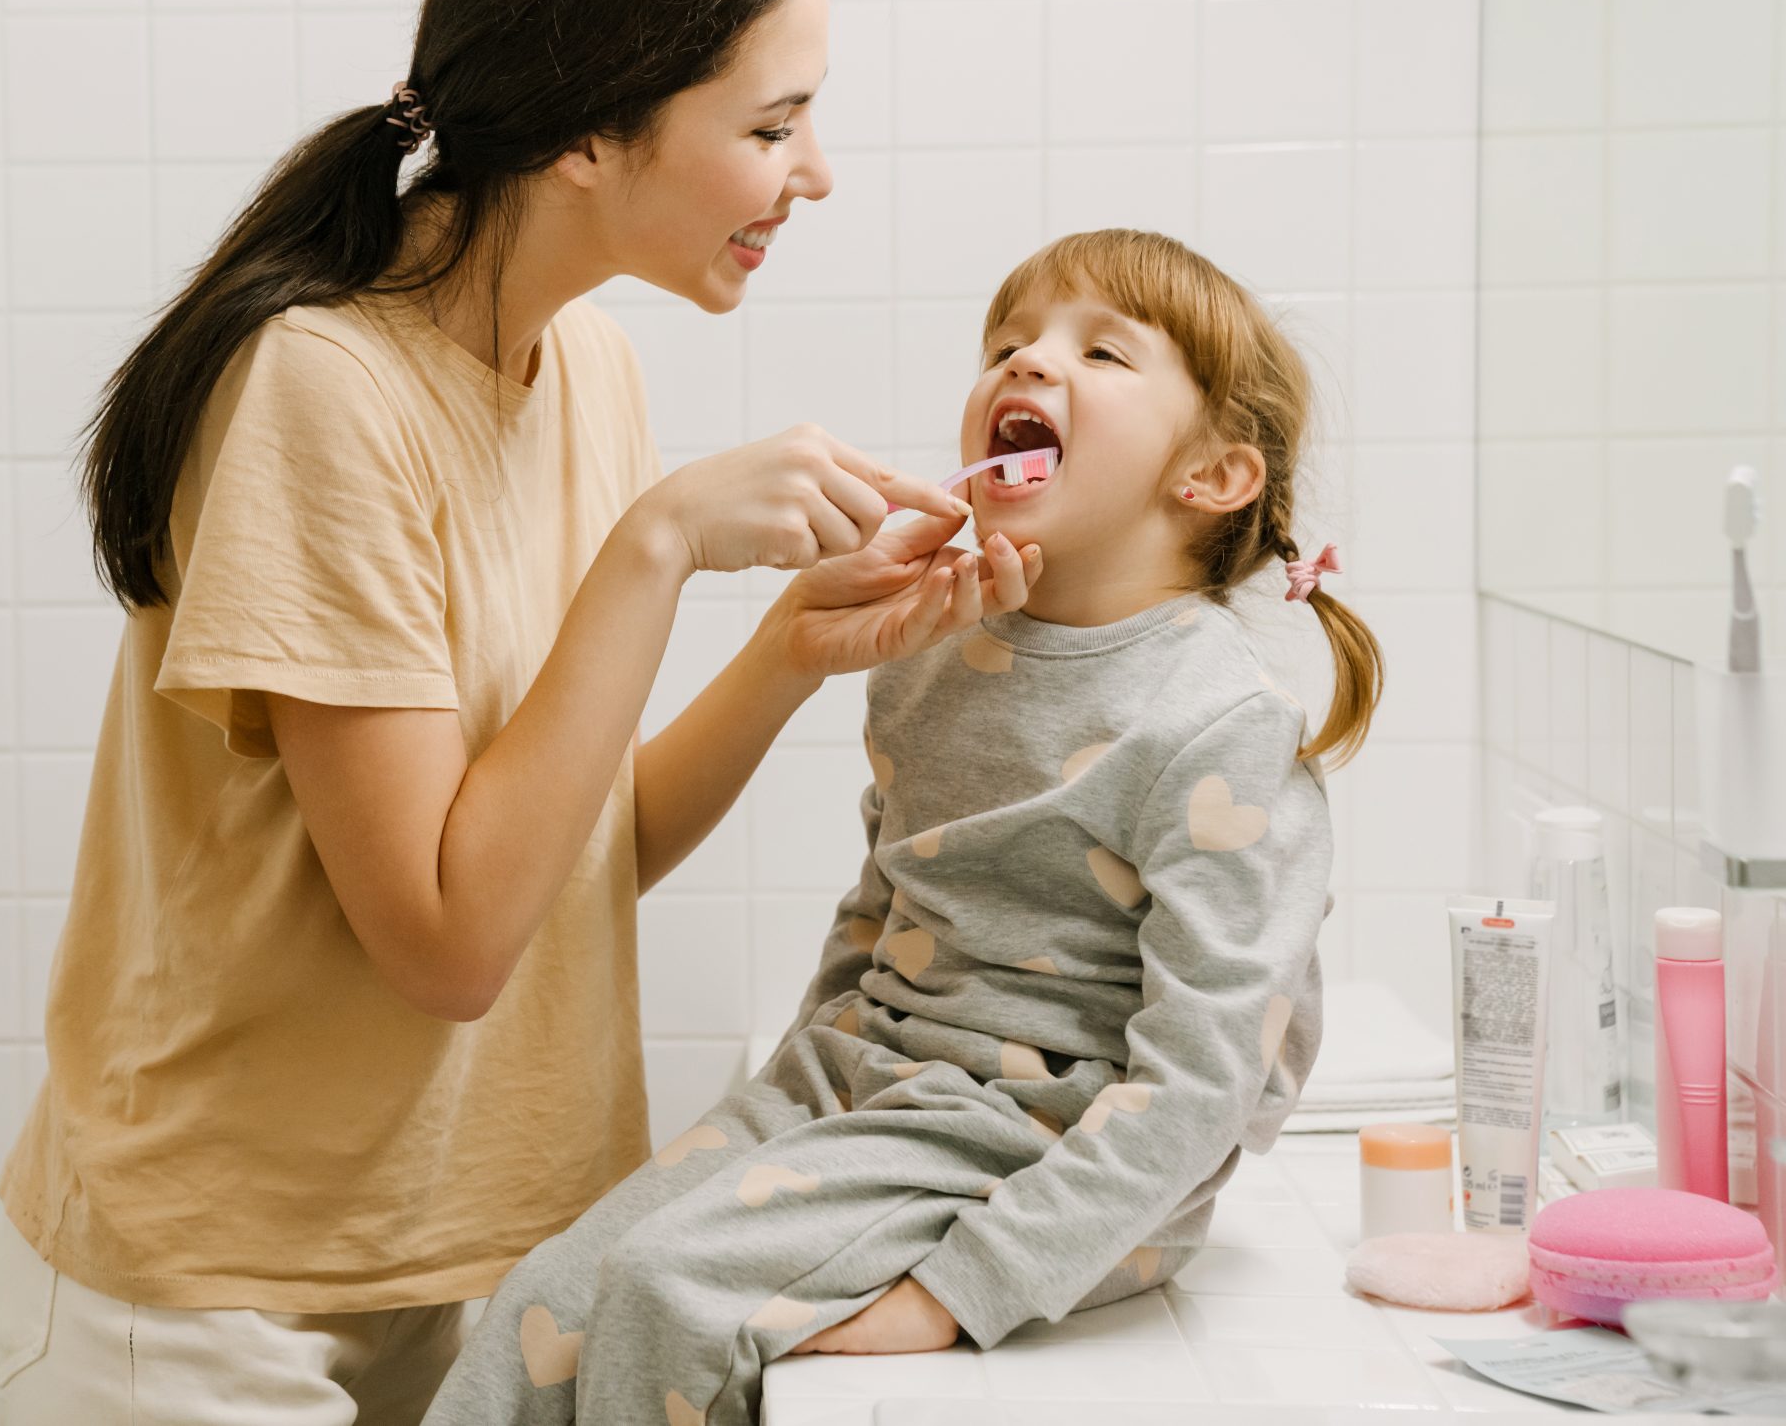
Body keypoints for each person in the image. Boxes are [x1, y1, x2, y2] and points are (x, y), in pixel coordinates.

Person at [0, 0, 1042, 1422]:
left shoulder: (584, 364)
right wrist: (664, 542)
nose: (813, 174)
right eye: (775, 125)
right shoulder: (320, 391)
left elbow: (559, 860)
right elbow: (451, 942)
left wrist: (785, 656)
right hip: (216, 1304)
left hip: (452, 1253)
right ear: (586, 139)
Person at [422, 229, 1385, 1426]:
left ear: (1213, 476)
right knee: (552, 1294)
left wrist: (960, 1288)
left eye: (1099, 350)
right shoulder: (933, 655)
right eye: (1009, 342)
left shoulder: (1217, 720)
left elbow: (1205, 1083)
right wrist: (778, 1099)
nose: (1028, 364)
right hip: (862, 1087)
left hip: (1034, 1140)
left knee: (670, 1292)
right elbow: (881, 916)